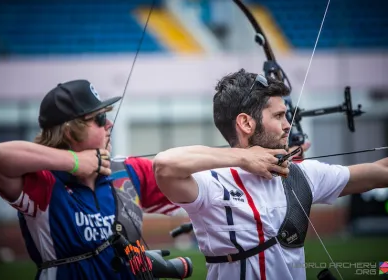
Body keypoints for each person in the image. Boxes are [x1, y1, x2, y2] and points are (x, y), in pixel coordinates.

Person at [153, 69, 388, 280]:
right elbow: (164, 164)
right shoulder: (211, 183)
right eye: (278, 116)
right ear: (246, 123)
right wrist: (244, 158)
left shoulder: (300, 175)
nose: (288, 125)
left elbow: (379, 172)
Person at [0, 80, 186, 280]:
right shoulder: (45, 183)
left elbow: (195, 184)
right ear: (70, 131)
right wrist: (75, 162)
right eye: (100, 118)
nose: (110, 124)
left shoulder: (126, 172)